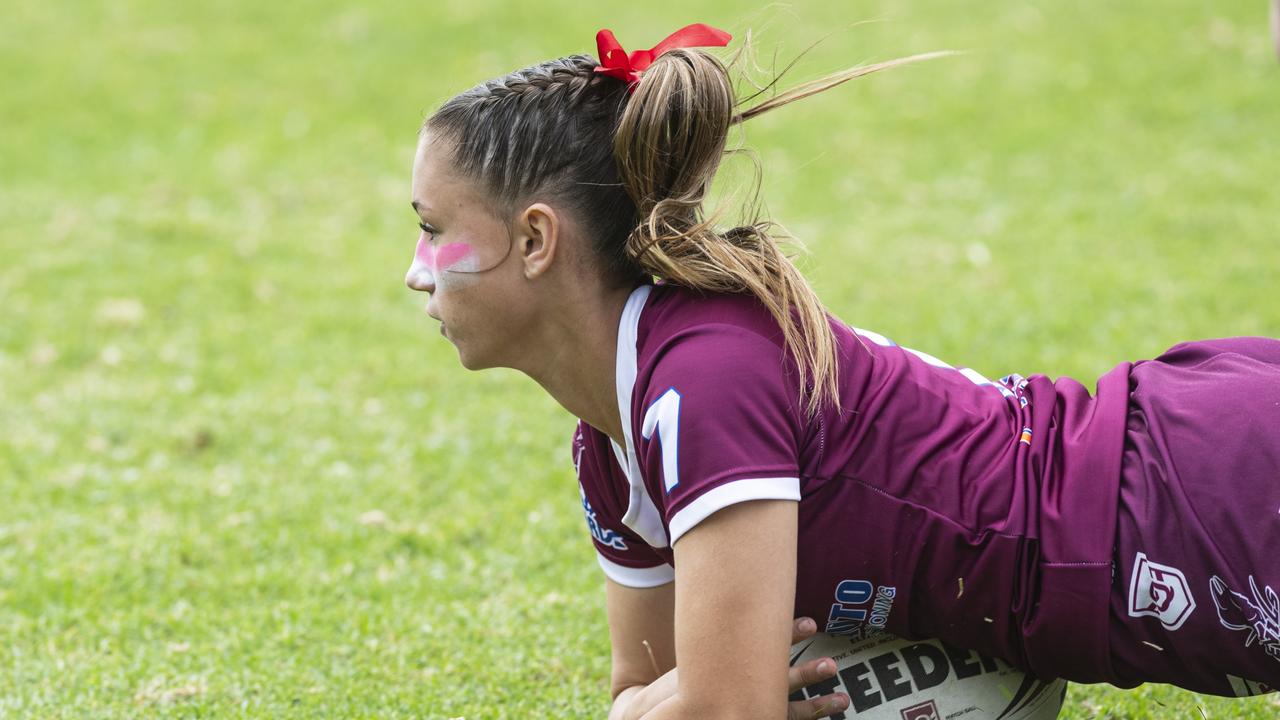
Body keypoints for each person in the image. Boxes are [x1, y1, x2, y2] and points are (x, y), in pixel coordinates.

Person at [402, 23, 1280, 720]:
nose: (416, 267)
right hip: (1165, 490)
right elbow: (646, 688)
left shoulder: (700, 378)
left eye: (435, 229)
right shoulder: (610, 447)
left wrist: (694, 699)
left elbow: (721, 706)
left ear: (535, 241)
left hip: (1190, 498)